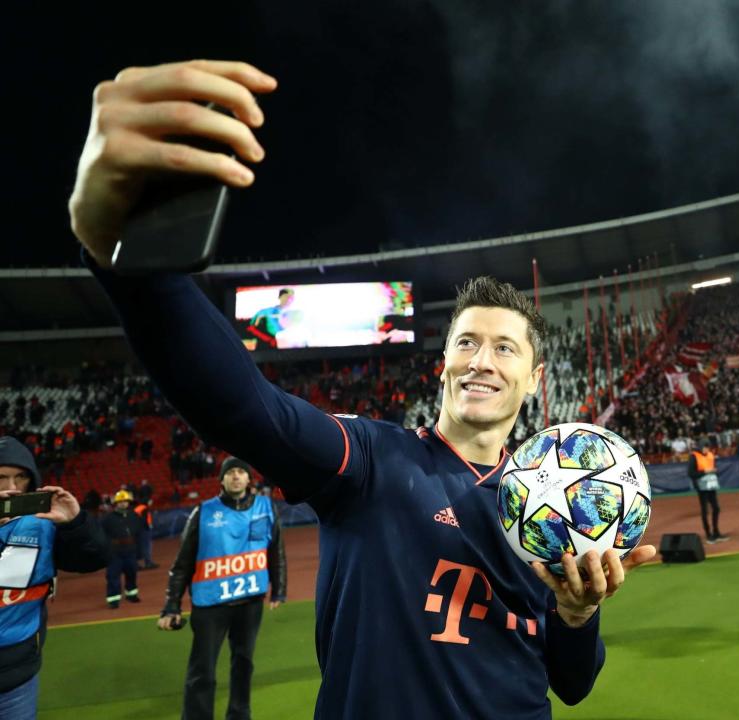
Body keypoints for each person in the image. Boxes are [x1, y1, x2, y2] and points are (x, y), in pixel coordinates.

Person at [69, 58, 657, 719]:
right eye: (465, 342)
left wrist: (578, 614)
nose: (480, 361)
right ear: (441, 365)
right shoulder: (371, 461)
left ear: (535, 378)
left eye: (504, 347)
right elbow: (241, 407)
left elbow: (572, 685)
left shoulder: (556, 508)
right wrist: (130, 266)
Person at [158, 456, 286, 720]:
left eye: (241, 471)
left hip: (250, 603)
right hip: (210, 606)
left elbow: (276, 551)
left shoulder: (266, 507)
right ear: (222, 479)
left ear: (249, 479)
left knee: (244, 664)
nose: (236, 476)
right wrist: (172, 605)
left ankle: (239, 714)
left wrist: (279, 588)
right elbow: (181, 563)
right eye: (231, 472)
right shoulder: (203, 512)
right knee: (202, 670)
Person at [0, 436, 110, 717]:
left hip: (18, 673)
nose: (12, 489)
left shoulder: (44, 524)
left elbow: (96, 557)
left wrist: (76, 523)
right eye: (1, 478)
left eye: (21, 478)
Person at [100, 489, 142, 608]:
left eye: (125, 501)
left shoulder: (134, 516)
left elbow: (138, 533)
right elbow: (102, 535)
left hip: (130, 551)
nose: (123, 503)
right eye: (121, 501)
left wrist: (138, 551)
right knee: (113, 576)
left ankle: (131, 594)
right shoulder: (107, 518)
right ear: (116, 503)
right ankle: (113, 600)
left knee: (132, 573)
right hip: (114, 553)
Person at [688, 438, 728, 543]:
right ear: (700, 447)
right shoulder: (694, 456)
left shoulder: (710, 455)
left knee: (716, 508)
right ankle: (708, 534)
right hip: (701, 488)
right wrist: (705, 471)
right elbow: (691, 473)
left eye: (707, 447)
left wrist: (714, 471)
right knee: (705, 510)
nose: (706, 450)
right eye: (704, 447)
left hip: (711, 486)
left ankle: (716, 532)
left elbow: (712, 467)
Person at [133, 497, 158, 569]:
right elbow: (143, 520)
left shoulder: (137, 508)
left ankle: (137, 564)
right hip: (144, 530)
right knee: (146, 546)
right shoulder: (144, 508)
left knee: (139, 547)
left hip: (139, 530)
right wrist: (147, 527)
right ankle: (148, 562)